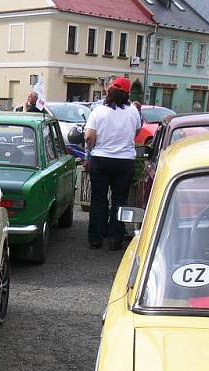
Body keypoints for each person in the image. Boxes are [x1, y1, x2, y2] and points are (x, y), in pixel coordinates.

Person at [84, 76, 141, 251]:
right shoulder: (133, 111)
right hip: (124, 162)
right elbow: (137, 132)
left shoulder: (98, 111)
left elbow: (89, 137)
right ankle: (116, 238)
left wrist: (92, 148)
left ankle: (96, 238)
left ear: (110, 92)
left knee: (99, 199)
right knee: (119, 200)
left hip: (101, 159)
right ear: (127, 94)